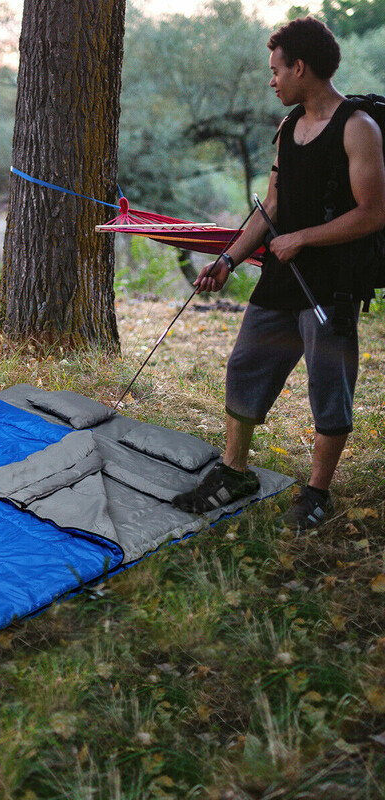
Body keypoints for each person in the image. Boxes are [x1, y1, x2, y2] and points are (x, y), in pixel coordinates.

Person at [172, 17, 385, 531]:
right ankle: (235, 471)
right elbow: (269, 208)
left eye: (276, 70)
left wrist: (304, 237)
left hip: (331, 284)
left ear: (301, 67)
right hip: (281, 280)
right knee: (245, 366)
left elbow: (374, 212)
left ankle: (316, 492)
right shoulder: (289, 128)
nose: (272, 81)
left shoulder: (358, 128)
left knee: (328, 388)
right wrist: (227, 260)